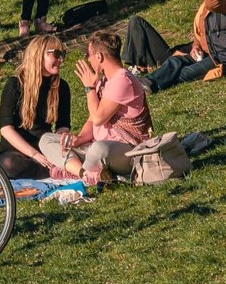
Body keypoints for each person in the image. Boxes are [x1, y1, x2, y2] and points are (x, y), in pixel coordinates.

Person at [41, 31, 152, 185]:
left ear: (99, 57)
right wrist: (79, 139)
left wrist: (89, 89)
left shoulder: (123, 80)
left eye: (88, 54)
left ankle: (73, 172)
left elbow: (99, 118)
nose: (87, 59)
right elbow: (92, 119)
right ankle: (85, 173)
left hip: (128, 150)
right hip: (97, 146)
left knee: (98, 149)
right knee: (46, 140)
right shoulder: (104, 81)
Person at [0, 34, 71, 179]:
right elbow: (6, 129)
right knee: (9, 164)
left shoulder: (62, 87)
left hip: (45, 144)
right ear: (39, 55)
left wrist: (60, 141)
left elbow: (63, 125)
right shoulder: (15, 85)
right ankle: (54, 171)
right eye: (57, 54)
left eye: (63, 54)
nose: (61, 60)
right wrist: (34, 154)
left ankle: (55, 169)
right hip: (16, 148)